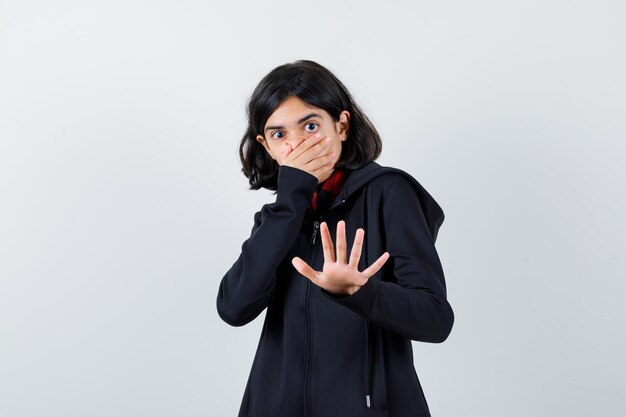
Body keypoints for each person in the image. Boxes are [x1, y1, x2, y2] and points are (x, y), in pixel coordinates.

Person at [216, 60, 454, 417]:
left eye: (310, 126)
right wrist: (290, 201)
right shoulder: (279, 217)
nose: (297, 145)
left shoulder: (390, 192)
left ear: (341, 126)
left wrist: (362, 293)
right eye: (280, 135)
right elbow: (234, 308)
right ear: (266, 145)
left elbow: (435, 319)